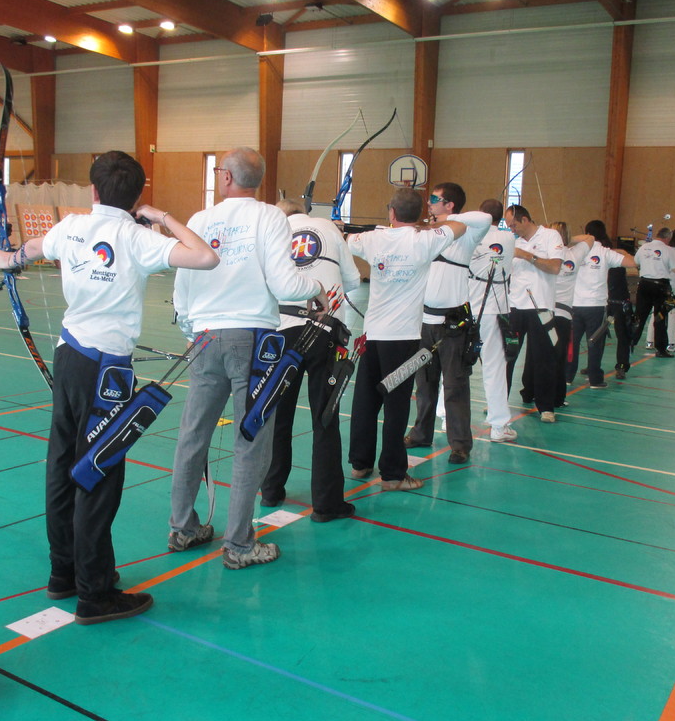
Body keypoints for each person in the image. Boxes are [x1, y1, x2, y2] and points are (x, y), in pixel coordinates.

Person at [0, 151, 218, 623]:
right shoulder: (136, 236)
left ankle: (64, 572)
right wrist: (161, 216)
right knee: (98, 472)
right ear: (136, 197)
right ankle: (94, 593)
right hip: (107, 372)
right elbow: (205, 256)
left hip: (70, 357)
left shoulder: (72, 226)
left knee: (63, 466)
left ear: (93, 191)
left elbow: (34, 247)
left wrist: (6, 260)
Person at [171, 148, 325, 569]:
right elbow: (285, 284)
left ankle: (183, 527)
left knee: (193, 435)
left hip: (205, 338)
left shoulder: (200, 220)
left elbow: (182, 287)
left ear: (226, 177)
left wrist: (192, 331)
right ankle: (239, 544)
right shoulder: (269, 217)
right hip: (253, 342)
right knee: (251, 441)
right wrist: (316, 288)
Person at [347, 188, 466, 488]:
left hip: (372, 335)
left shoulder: (373, 239)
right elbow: (460, 226)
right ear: (419, 214)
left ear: (391, 212)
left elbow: (347, 239)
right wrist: (425, 226)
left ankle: (360, 464)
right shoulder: (425, 240)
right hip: (402, 339)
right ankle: (392, 475)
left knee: (366, 400)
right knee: (396, 405)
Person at [260, 198, 361, 522]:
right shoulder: (327, 227)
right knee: (324, 417)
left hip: (282, 332)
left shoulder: (272, 231)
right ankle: (327, 504)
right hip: (324, 330)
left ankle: (271, 489)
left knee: (278, 415)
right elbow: (353, 281)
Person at [405, 183, 490, 464]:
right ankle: (421, 433)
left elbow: (485, 218)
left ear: (450, 204)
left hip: (453, 325)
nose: (429, 203)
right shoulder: (431, 234)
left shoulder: (465, 233)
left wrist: (445, 221)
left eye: (434, 199)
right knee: (424, 384)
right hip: (424, 321)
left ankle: (460, 444)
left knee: (455, 385)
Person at [503, 204, 563, 423]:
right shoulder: (513, 242)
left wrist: (527, 256)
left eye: (514, 225)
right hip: (515, 307)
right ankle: (499, 403)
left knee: (543, 359)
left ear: (525, 220)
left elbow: (555, 267)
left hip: (541, 307)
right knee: (507, 357)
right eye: (509, 226)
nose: (512, 230)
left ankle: (546, 407)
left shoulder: (550, 236)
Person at [467, 199, 516, 442]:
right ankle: (498, 426)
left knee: (456, 364)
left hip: (467, 309)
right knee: (494, 367)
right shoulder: (508, 238)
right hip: (493, 311)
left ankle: (446, 417)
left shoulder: (470, 235)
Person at [569, 220, 634, 388]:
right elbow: (632, 262)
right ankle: (595, 379)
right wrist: (622, 252)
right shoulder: (605, 253)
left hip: (575, 304)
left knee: (572, 343)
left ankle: (567, 376)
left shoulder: (575, 251)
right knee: (595, 343)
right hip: (596, 306)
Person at [550, 221, 585, 406]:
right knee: (559, 356)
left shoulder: (546, 254)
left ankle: (534, 393)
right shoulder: (574, 254)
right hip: (560, 314)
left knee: (542, 355)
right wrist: (568, 240)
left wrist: (557, 239)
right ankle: (557, 397)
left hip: (546, 313)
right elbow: (590, 238)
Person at [632, 227, 675, 358]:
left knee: (639, 316)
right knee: (660, 317)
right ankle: (661, 349)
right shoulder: (669, 250)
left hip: (644, 284)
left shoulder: (644, 247)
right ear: (668, 238)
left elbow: (635, 262)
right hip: (660, 287)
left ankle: (630, 343)